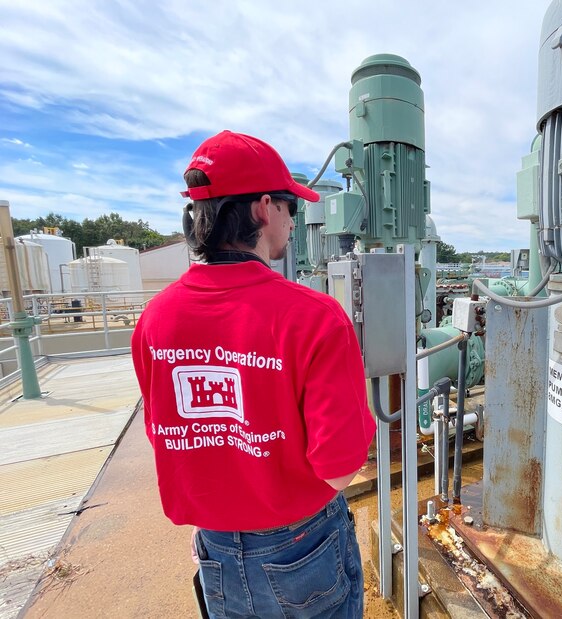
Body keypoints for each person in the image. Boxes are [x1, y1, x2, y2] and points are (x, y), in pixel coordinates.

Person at [131, 130, 376, 618]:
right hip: (302, 547)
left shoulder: (155, 319)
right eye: (290, 206)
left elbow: (170, 439)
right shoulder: (315, 316)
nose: (293, 220)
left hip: (213, 548)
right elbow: (339, 466)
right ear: (265, 208)